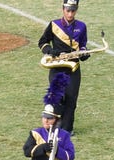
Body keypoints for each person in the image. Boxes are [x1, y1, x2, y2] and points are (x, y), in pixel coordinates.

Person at [38, 0, 89, 134]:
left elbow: (83, 44)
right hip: (57, 67)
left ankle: (67, 129)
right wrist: (50, 50)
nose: (70, 14)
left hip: (73, 67)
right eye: (68, 10)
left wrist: (84, 53)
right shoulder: (54, 25)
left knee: (71, 98)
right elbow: (42, 42)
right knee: (57, 97)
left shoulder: (82, 26)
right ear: (63, 9)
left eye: (73, 11)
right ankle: (54, 125)